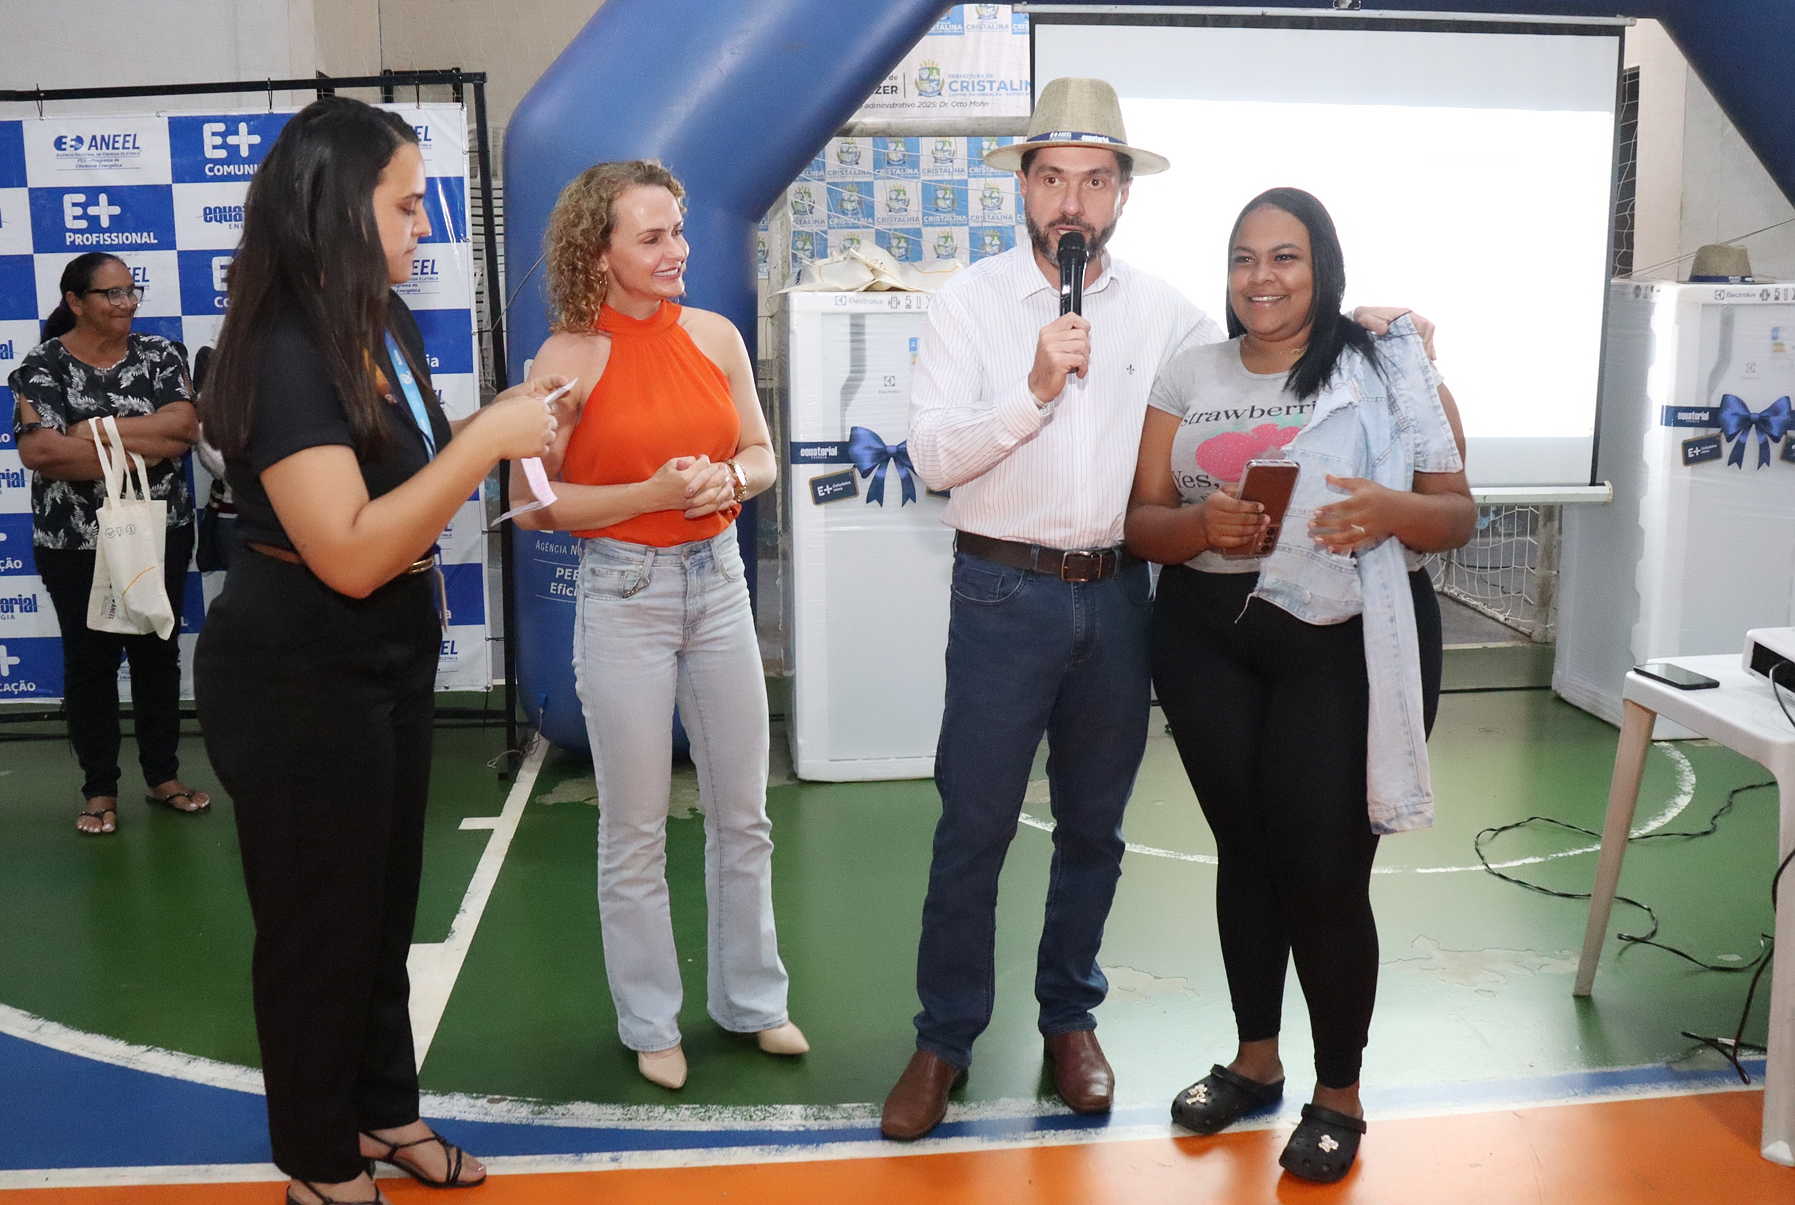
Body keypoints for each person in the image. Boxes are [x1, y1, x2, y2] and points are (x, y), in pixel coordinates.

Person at [883, 78, 1430, 1144]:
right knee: (974, 828)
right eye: (1052, 178)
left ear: (1122, 195)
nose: (1071, 201)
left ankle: (1068, 1021)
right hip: (1001, 589)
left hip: (1120, 596)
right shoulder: (966, 304)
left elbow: (1263, 341)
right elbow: (935, 457)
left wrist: (1370, 322)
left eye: (1095, 180)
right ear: (1023, 189)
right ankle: (942, 1039)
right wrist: (1033, 389)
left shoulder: (1169, 314)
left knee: (1094, 830)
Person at [193, 96, 562, 1205]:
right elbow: (349, 551)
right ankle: (319, 1158)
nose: (424, 226)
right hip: (299, 668)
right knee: (319, 928)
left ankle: (383, 1108)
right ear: (336, 208)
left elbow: (405, 478)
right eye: (405, 205)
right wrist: (484, 444)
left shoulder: (380, 318)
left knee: (380, 909)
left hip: (383, 651)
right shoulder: (282, 347)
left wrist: (498, 424)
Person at [1124, 187, 1474, 1183]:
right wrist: (1201, 526)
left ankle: (1339, 1093)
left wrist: (1388, 508)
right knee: (1245, 852)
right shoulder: (1190, 370)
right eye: (1243, 258)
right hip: (1207, 635)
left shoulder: (1385, 365)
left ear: (1322, 265)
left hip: (1344, 640)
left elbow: (1455, 512)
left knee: (1322, 869)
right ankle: (1255, 1060)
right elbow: (1141, 521)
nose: (1261, 277)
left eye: (1284, 256)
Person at [515, 159, 804, 1092]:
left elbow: (760, 453)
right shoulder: (563, 360)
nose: (677, 248)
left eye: (676, 229)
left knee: (743, 814)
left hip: (719, 586)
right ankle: (649, 1020)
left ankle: (751, 1001)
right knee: (633, 828)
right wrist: (651, 493)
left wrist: (730, 479)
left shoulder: (715, 335)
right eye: (652, 236)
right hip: (622, 596)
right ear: (598, 253)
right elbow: (534, 504)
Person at [10, 251, 209, 835]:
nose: (127, 303)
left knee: (156, 655)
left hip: (160, 531)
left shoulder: (161, 354)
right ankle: (99, 789)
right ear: (75, 302)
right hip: (73, 540)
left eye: (131, 291)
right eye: (112, 293)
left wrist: (91, 430)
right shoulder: (42, 365)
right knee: (90, 662)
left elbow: (183, 430)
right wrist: (143, 443)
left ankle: (163, 776)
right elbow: (41, 451)